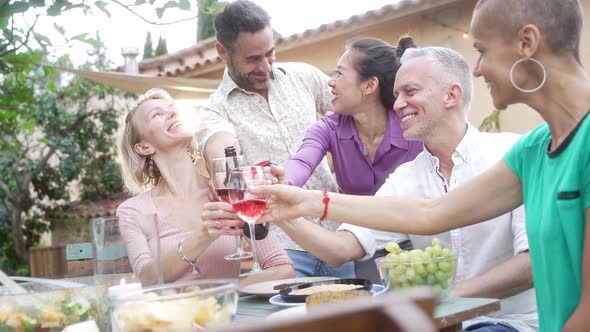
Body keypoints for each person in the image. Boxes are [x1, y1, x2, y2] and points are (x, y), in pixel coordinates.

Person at [252, 0, 590, 330]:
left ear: (526, 43)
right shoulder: (532, 150)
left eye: (482, 50)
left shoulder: (546, 145)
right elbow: (431, 213)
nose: (478, 67)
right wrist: (301, 203)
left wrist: (445, 299)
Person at [269, 46, 538, 331]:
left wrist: (444, 300)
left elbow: (532, 263)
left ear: (452, 95)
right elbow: (340, 249)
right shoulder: (405, 178)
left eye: (410, 91)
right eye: (397, 95)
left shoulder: (512, 155)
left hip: (511, 323)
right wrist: (281, 213)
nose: (398, 104)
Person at [197, 0, 352, 278]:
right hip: (284, 253)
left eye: (270, 54)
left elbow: (355, 110)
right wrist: (225, 173)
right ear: (223, 51)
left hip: (340, 236)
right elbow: (221, 152)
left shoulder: (303, 76)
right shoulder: (215, 110)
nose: (265, 66)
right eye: (253, 59)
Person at [116, 88, 294, 287]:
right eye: (157, 114)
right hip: (170, 317)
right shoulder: (132, 211)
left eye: (172, 109)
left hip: (228, 315)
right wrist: (203, 235)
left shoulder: (228, 191)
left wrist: (227, 292)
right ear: (143, 147)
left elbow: (283, 269)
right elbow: (147, 279)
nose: (173, 113)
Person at [282, 36, 423, 280]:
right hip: (361, 246)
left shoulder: (413, 129)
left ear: (369, 86)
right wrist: (281, 179)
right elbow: (301, 163)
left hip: (418, 246)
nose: (330, 82)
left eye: (339, 74)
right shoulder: (328, 127)